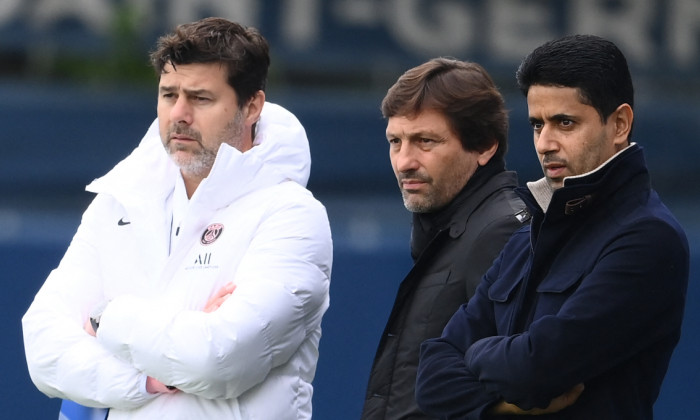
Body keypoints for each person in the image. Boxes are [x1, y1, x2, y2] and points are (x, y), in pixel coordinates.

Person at [22, 17, 332, 420]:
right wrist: (150, 378)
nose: (179, 114)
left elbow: (217, 360)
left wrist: (104, 319)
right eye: (169, 95)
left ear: (252, 106)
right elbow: (43, 349)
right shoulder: (121, 199)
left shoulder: (293, 215)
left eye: (201, 98)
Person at [415, 34, 689, 419]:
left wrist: (475, 352)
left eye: (565, 122)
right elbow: (430, 379)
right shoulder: (529, 234)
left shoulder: (648, 239)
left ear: (620, 124)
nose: (544, 143)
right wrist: (503, 405)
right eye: (536, 124)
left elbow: (535, 371)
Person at [361, 58, 529, 419]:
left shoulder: (501, 231)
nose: (404, 161)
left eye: (425, 141)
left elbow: (527, 383)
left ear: (485, 146)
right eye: (395, 141)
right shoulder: (451, 228)